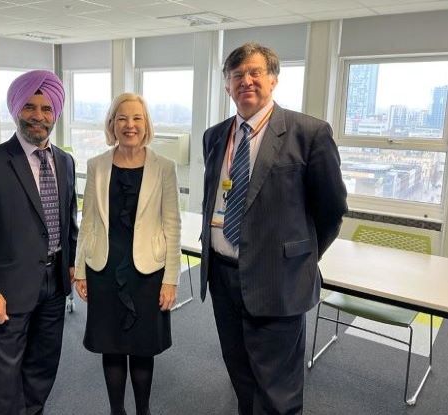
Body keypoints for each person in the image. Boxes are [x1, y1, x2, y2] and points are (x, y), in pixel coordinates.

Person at [200, 43, 348, 414]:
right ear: (227, 85)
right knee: (241, 377)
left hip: (278, 280)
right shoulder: (215, 136)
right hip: (223, 276)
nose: (245, 81)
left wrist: (298, 258)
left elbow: (330, 210)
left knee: (277, 391)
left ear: (273, 79)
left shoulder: (308, 133)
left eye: (254, 73)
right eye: (237, 75)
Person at [0, 70, 78, 415]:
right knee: (6, 376)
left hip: (54, 285)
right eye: (30, 106)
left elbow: (68, 221)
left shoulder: (65, 161)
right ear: (15, 110)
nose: (38, 116)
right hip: (8, 291)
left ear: (55, 113)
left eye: (46, 108)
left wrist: (71, 265)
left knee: (42, 368)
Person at [74, 92, 181, 415]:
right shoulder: (97, 166)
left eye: (137, 118)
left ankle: (143, 411)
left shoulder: (164, 167)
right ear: (112, 124)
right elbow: (88, 220)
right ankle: (116, 411)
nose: (129, 125)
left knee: (143, 346)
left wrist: (171, 279)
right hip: (104, 268)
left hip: (148, 272)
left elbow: (172, 225)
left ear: (146, 124)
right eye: (122, 118)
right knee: (112, 345)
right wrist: (80, 270)